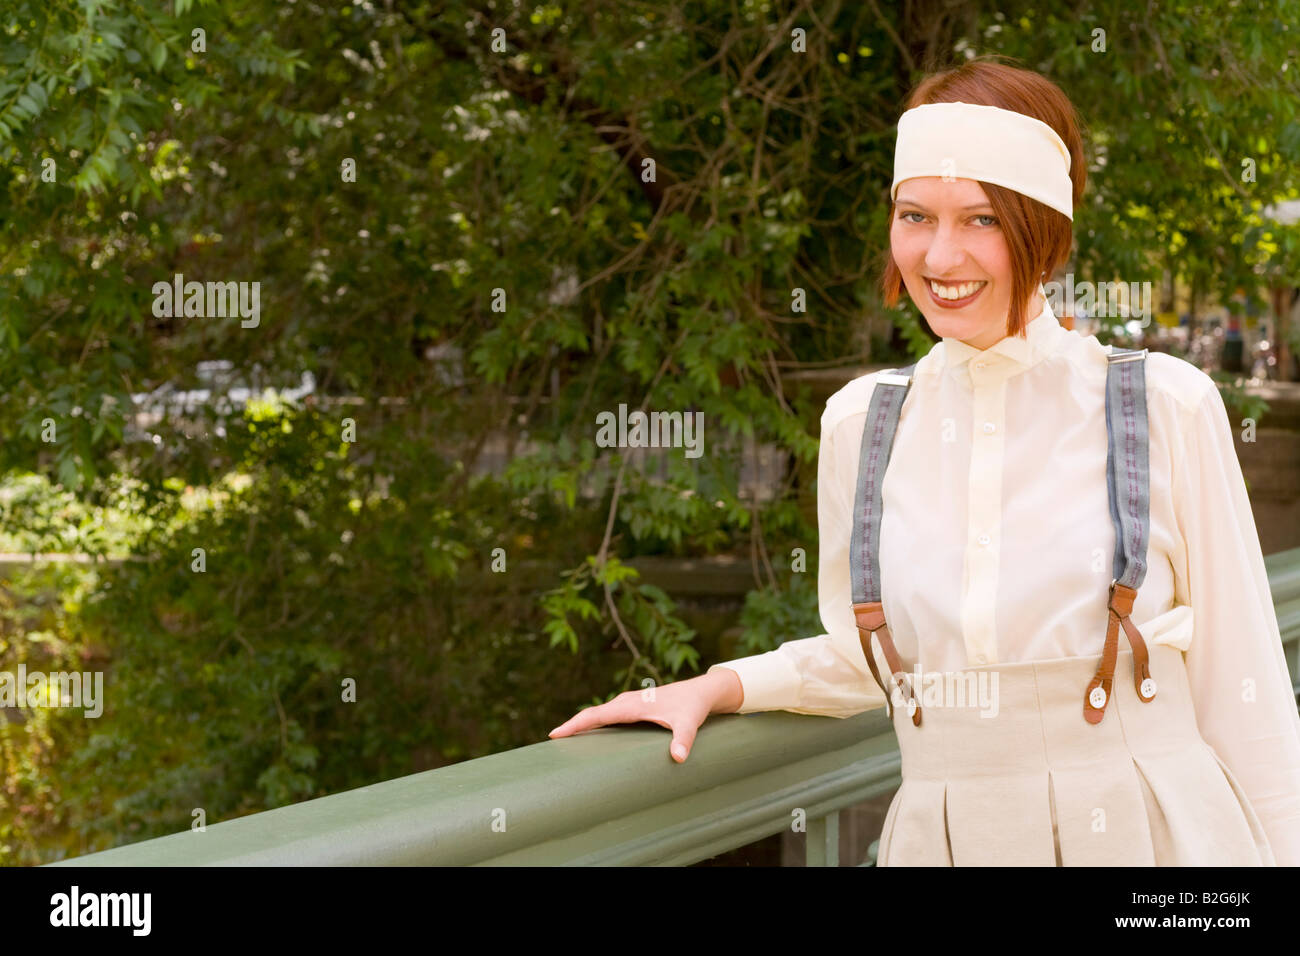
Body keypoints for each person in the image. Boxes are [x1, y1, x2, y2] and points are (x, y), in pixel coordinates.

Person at [548, 58, 1300, 866]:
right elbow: (867, 655)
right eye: (915, 216)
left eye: (981, 220)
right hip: (941, 840)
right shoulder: (859, 424)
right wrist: (717, 686)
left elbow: (1242, 686)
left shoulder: (1165, 404)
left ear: (1044, 228)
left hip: (1154, 840)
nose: (941, 257)